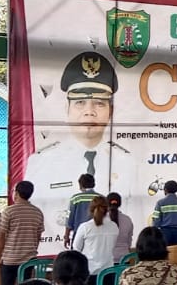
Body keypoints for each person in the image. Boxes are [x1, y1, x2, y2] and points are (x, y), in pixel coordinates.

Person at [21, 51, 130, 203]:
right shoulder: (42, 162)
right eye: (80, 102)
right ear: (67, 108)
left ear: (110, 111)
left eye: (99, 103)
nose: (89, 112)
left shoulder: (127, 162)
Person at [0, 180, 44, 285]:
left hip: (9, 260)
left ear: (16, 193)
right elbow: (38, 237)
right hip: (29, 260)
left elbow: (0, 236)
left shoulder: (9, 211)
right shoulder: (37, 212)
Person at [70, 196, 117, 280]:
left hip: (89, 272)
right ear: (107, 209)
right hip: (108, 271)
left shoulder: (85, 227)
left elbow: (76, 249)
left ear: (91, 209)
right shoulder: (114, 226)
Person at [150, 180, 177, 246]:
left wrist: (154, 233)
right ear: (176, 189)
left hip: (165, 232)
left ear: (165, 189)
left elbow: (156, 220)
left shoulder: (160, 203)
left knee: (165, 253)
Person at [107, 192, 134, 258]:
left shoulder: (101, 220)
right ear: (120, 204)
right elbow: (129, 242)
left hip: (106, 262)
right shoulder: (127, 220)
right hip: (124, 260)